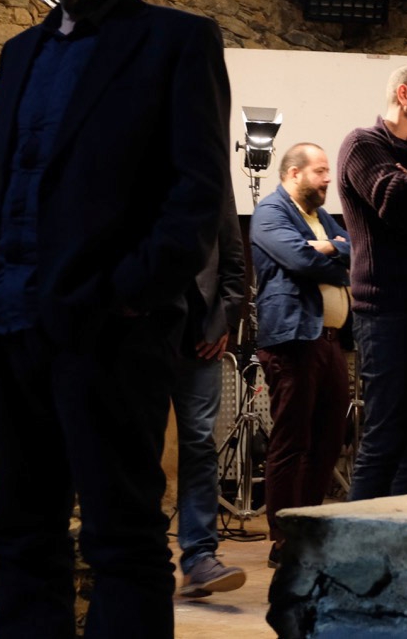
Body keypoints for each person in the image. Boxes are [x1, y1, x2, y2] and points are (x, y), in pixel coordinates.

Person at [0, 0, 231, 639]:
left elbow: (197, 198)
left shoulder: (177, 42)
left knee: (123, 540)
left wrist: (124, 294)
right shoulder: (18, 54)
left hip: (108, 333)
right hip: (6, 330)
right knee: (21, 535)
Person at [338, 65, 407, 500]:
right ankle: (356, 536)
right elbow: (398, 204)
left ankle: (404, 531)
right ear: (404, 95)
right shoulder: (363, 144)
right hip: (386, 311)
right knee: (386, 434)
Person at [250, 143, 351, 567]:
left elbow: (355, 248)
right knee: (292, 441)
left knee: (329, 440)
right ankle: (283, 540)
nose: (328, 178)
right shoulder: (270, 212)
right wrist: (332, 254)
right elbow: (300, 261)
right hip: (293, 340)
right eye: (320, 171)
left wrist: (328, 247)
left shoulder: (322, 219)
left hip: (329, 341)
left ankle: (307, 530)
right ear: (294, 173)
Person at [172, 186, 247, 597]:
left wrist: (223, 322)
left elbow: (233, 260)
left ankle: (200, 557)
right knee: (136, 445)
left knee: (200, 443)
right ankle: (138, 555)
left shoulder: (211, 171)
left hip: (199, 335)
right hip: (139, 329)